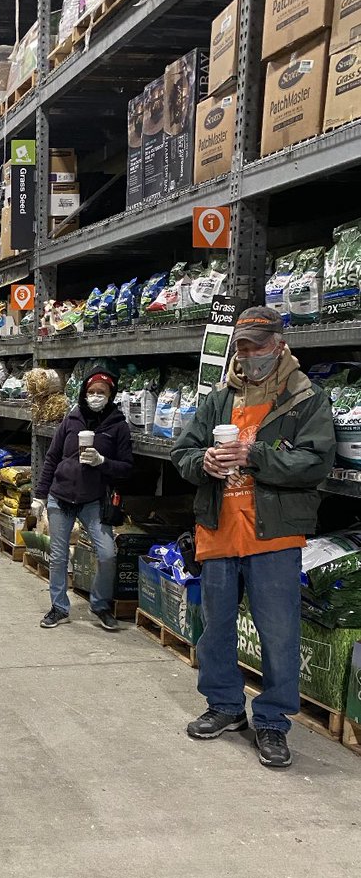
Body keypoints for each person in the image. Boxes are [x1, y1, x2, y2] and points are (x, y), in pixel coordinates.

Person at [172, 306, 335, 769]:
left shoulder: (306, 398)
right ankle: (224, 706)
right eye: (242, 346)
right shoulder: (219, 398)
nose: (249, 355)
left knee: (279, 634)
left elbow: (316, 462)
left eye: (258, 345)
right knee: (216, 630)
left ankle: (272, 721)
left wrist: (254, 453)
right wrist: (202, 462)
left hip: (274, 537)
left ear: (279, 344)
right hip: (219, 531)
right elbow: (182, 451)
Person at [31, 367, 133, 631]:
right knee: (58, 555)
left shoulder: (118, 426)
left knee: (108, 553)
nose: (96, 396)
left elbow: (127, 469)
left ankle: (100, 605)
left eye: (102, 392)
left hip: (93, 501)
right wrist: (40, 495)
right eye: (92, 392)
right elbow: (52, 457)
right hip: (61, 497)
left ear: (111, 395)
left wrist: (102, 462)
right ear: (84, 393)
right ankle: (59, 607)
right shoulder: (72, 418)